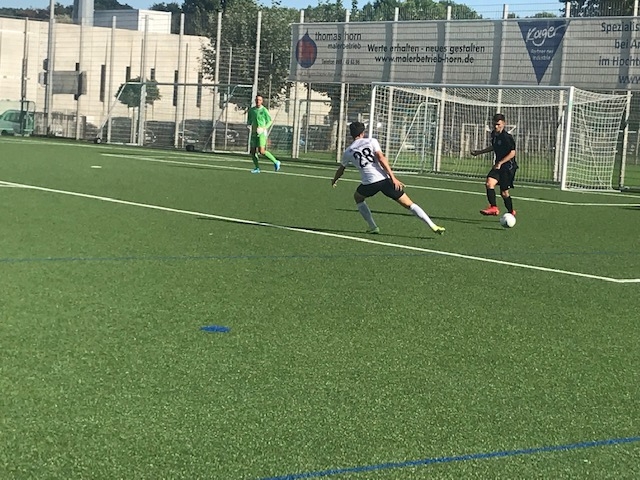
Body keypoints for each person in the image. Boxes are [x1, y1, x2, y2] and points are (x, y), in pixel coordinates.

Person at [331, 121, 445, 235]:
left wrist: (335, 180)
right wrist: (393, 178)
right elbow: (381, 158)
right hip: (384, 180)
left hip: (369, 183)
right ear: (362, 133)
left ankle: (373, 226)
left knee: (358, 197)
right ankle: (432, 225)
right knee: (409, 204)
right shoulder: (372, 141)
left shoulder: (348, 151)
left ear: (351, 134)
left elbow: (341, 169)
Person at [471, 113, 518, 216]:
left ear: (504, 124)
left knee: (504, 193)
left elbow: (512, 153)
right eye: (494, 124)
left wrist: (500, 162)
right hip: (498, 166)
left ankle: (511, 212)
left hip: (508, 167)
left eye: (498, 124)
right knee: (489, 183)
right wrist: (479, 152)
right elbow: (494, 146)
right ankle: (493, 207)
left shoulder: (507, 137)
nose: (496, 127)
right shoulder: (494, 134)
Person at [247, 94, 280, 173]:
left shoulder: (264, 110)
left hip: (261, 133)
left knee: (261, 151)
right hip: (254, 133)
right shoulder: (251, 110)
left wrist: (263, 128)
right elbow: (249, 120)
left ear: (262, 101)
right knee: (252, 151)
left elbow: (269, 121)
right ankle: (257, 168)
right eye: (257, 100)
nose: (258, 101)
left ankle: (276, 162)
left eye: (259, 100)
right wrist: (249, 125)